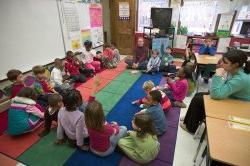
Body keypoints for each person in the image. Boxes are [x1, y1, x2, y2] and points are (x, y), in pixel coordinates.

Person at [181, 50, 250, 134]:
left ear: (235, 65)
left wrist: (217, 76)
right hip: (230, 96)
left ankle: (191, 128)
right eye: (222, 60)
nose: (222, 64)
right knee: (198, 95)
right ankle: (189, 118)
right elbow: (223, 85)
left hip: (239, 105)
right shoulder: (235, 70)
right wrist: (220, 77)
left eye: (225, 62)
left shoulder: (240, 78)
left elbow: (216, 95)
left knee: (199, 100)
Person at [55, 75, 101, 149]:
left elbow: (59, 127)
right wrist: (80, 145)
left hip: (69, 135)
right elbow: (79, 133)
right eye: (81, 99)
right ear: (78, 103)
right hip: (78, 137)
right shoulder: (80, 115)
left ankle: (71, 140)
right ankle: (75, 143)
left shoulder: (61, 110)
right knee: (92, 109)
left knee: (88, 105)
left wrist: (60, 138)